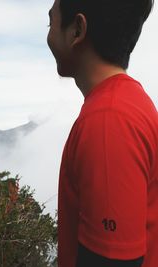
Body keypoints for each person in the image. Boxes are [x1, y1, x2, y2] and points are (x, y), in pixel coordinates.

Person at [47, 0, 158, 266]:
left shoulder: (109, 121)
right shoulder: (127, 103)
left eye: (50, 21)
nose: (48, 34)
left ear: (77, 30)